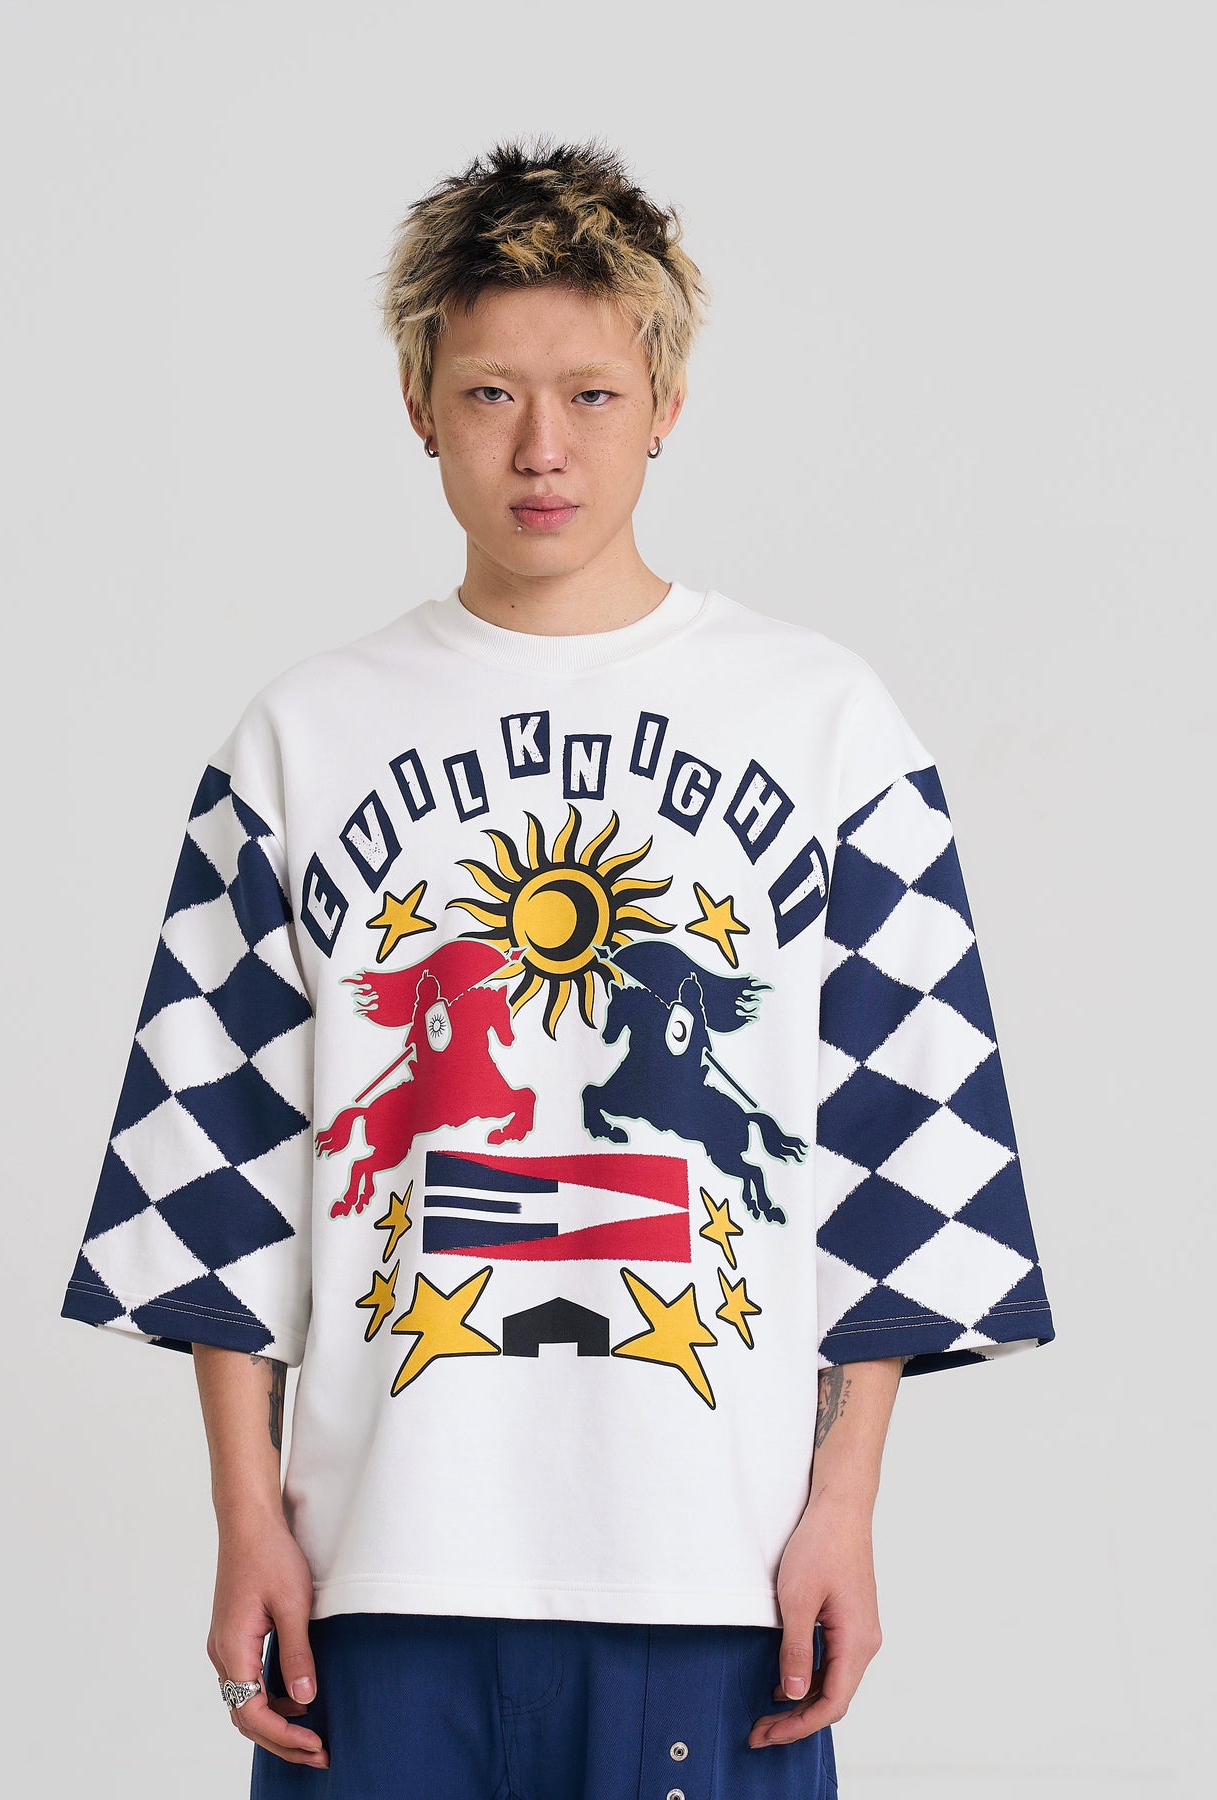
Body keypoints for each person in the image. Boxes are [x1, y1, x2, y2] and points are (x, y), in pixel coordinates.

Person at [60, 136, 1056, 1799]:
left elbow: (893, 1156)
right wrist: (246, 1519)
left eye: (590, 395)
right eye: (489, 395)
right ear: (416, 402)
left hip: (713, 1576)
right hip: (376, 1575)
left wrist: (843, 1506)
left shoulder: (826, 726)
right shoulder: (300, 739)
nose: (542, 448)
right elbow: (219, 1171)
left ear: (665, 400)